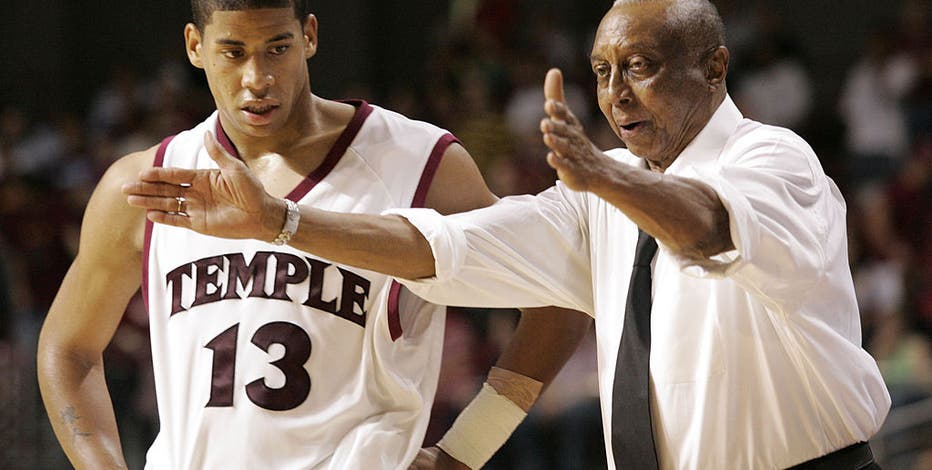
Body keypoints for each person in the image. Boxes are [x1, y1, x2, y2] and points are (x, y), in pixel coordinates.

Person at [123, 0, 892, 468]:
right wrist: (282, 223)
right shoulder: (598, 195)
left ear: (715, 67)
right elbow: (446, 250)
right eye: (602, 71)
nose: (617, 93)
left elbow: (710, 231)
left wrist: (604, 175)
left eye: (642, 66)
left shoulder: (774, 159)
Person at [37, 1, 592, 469]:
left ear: (309, 36)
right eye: (233, 52)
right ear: (194, 46)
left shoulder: (422, 163)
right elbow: (69, 347)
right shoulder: (146, 184)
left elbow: (557, 301)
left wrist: (468, 448)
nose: (257, 78)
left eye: (277, 47)